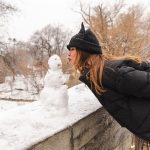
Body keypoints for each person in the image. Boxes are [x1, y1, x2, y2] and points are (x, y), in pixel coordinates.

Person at [67, 23, 150, 146]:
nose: (68, 53)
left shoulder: (108, 72)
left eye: (72, 49)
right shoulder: (97, 72)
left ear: (84, 51)